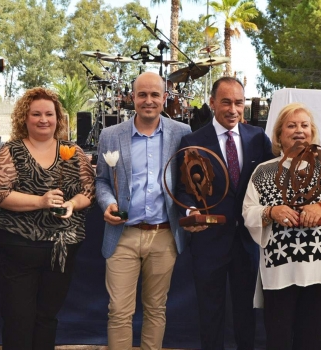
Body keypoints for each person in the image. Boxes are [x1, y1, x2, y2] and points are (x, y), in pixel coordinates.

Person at [95, 72, 199, 350]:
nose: (148, 100)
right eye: (142, 94)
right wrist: (107, 203)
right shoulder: (110, 135)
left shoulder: (182, 133)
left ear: (165, 98)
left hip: (164, 235)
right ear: (132, 98)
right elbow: (102, 181)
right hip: (122, 235)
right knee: (119, 311)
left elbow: (188, 182)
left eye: (155, 95)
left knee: (156, 309)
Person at [0, 87, 95, 349]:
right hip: (19, 248)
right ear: (25, 118)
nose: (43, 119)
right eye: (36, 114)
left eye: (49, 114)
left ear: (58, 118)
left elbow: (88, 192)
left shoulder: (73, 151)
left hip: (62, 248)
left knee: (47, 317)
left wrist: (71, 203)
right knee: (17, 318)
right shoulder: (10, 151)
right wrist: (41, 201)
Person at [241, 103, 321, 349]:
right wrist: (271, 212)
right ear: (279, 135)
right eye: (291, 126)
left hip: (320, 267)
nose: (299, 131)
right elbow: (248, 212)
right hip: (280, 268)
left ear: (312, 133)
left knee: (312, 339)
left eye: (305, 125)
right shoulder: (263, 172)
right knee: (278, 338)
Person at [175, 76, 275, 350]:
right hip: (209, 240)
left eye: (239, 103)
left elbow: (274, 175)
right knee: (210, 312)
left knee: (246, 312)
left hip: (248, 241)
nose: (233, 109)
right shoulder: (193, 140)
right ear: (212, 103)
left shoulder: (258, 138)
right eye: (226, 102)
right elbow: (183, 189)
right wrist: (190, 210)